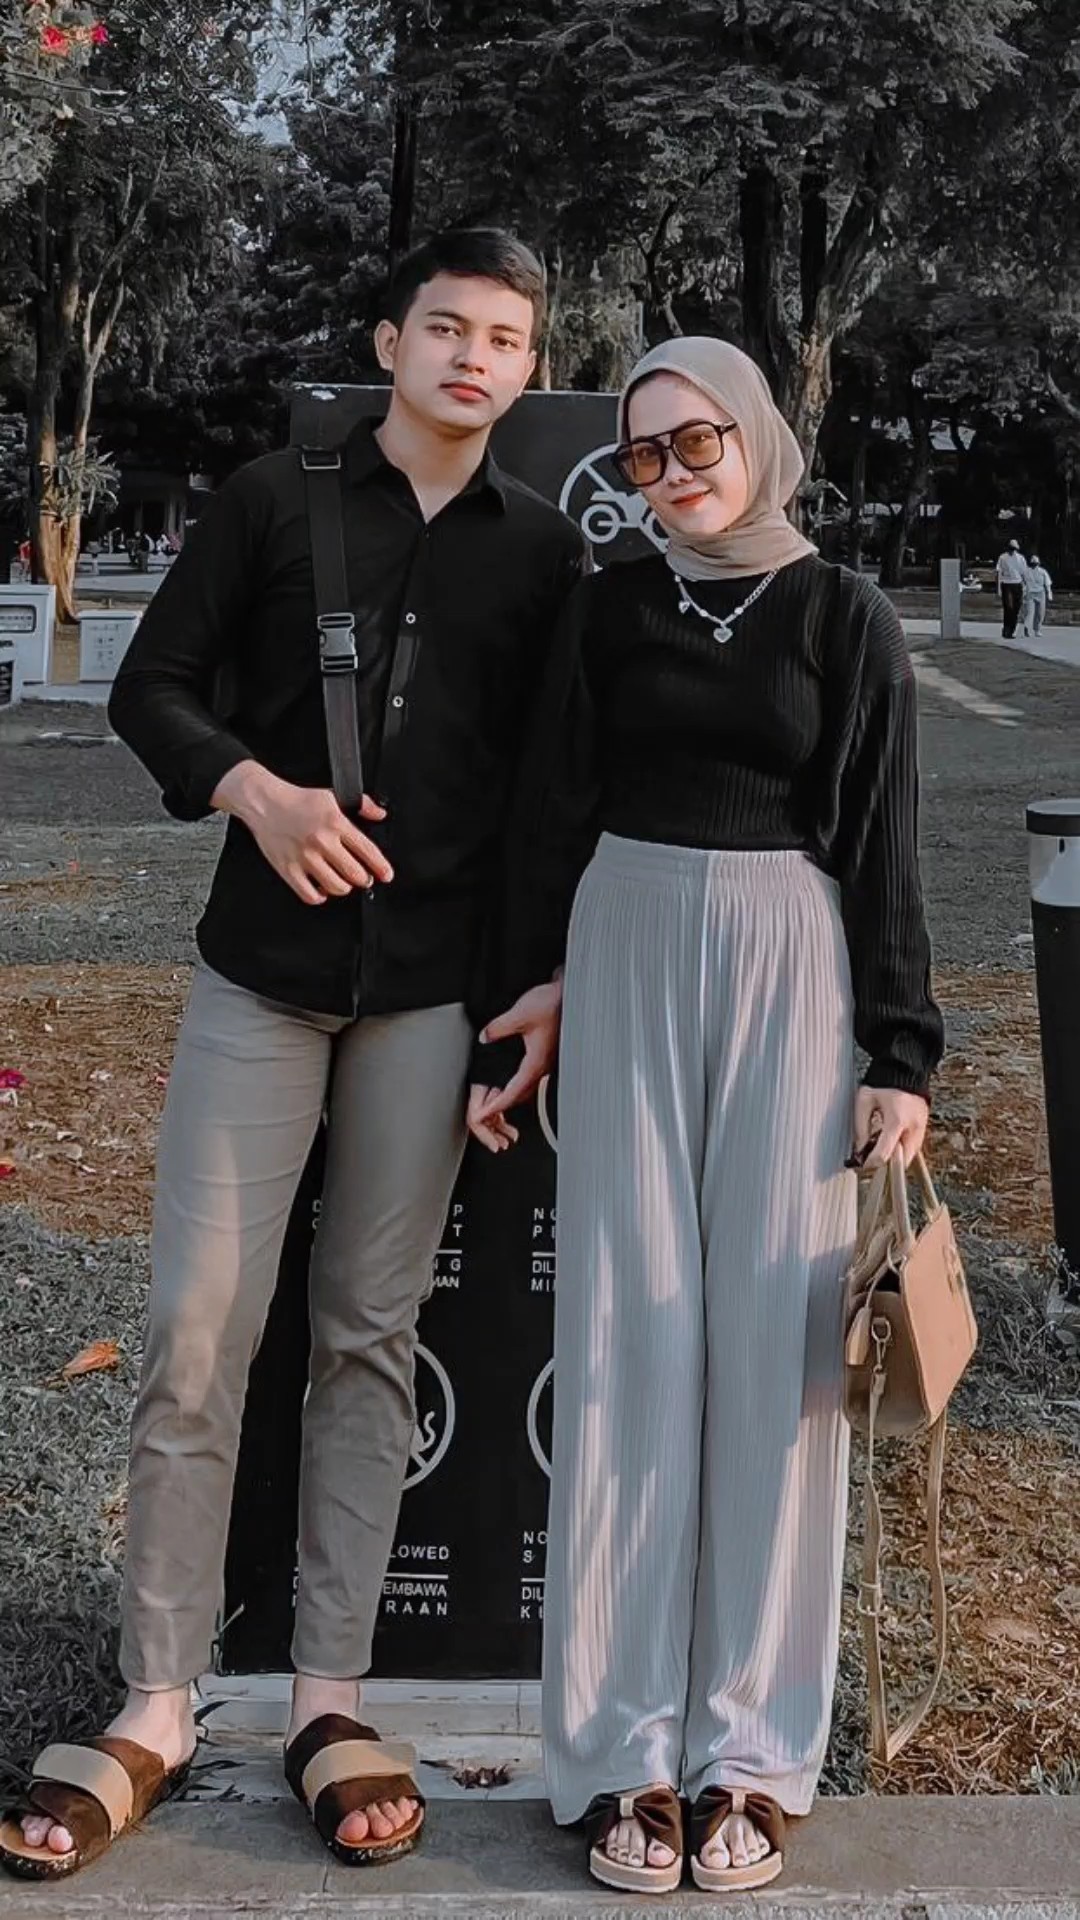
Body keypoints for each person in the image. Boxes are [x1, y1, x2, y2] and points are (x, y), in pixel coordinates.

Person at [0, 227, 583, 1882]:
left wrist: (537, 986)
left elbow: (551, 793)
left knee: (368, 1341)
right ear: (392, 342)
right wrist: (256, 793)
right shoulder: (273, 499)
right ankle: (156, 1702)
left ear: (528, 370)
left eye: (505, 341)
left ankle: (330, 1699)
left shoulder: (546, 556)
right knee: (197, 1332)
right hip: (258, 977)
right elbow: (154, 691)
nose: (473, 359)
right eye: (447, 328)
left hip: (432, 997)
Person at [472, 338, 944, 1894]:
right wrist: (535, 986)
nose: (672, 474)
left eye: (697, 444)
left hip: (793, 967)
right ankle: (622, 1754)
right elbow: (551, 805)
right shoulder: (608, 607)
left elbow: (883, 841)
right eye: (644, 454)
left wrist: (900, 1054)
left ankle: (748, 1752)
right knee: (626, 1344)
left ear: (755, 438)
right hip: (624, 945)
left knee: (774, 1356)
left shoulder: (843, 614)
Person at [996, 537, 1026, 637]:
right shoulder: (1002, 557)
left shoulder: (1020, 558)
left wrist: (1025, 586)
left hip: (1017, 584)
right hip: (1006, 583)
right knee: (1009, 607)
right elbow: (999, 572)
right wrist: (998, 588)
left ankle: (1012, 629)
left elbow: (1024, 573)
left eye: (1014, 549)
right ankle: (1006, 629)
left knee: (1016, 608)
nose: (1012, 551)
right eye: (1011, 548)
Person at [1022, 553, 1053, 636]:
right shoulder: (1026, 572)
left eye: (1035, 563)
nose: (1034, 565)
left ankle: (1037, 629)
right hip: (1030, 593)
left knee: (1040, 613)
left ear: (1038, 563)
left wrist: (1049, 593)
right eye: (1033, 563)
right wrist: (1023, 592)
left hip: (1040, 593)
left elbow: (1047, 583)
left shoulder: (1042, 572)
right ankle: (1027, 627)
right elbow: (1023, 583)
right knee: (1030, 612)